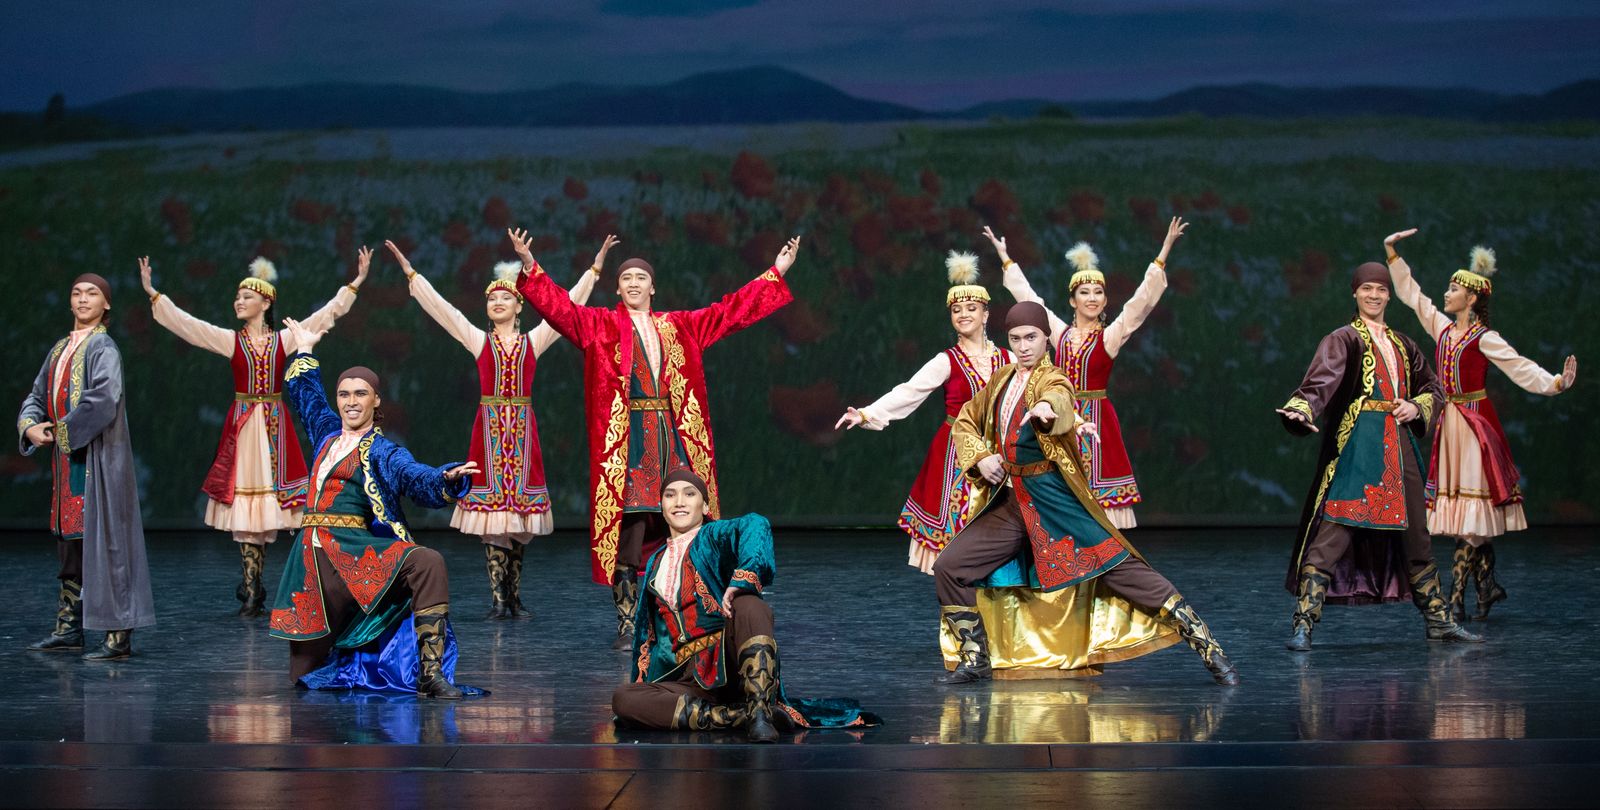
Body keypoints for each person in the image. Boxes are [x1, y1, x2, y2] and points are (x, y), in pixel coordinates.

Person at [511, 227, 800, 648]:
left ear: (652, 287)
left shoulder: (679, 326)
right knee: (629, 530)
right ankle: (629, 623)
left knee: (686, 522)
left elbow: (729, 311)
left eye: (640, 278)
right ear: (617, 288)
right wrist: (529, 265)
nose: (633, 283)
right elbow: (560, 309)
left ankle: (691, 613)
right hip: (627, 445)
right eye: (626, 278)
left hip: (672, 437)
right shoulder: (600, 325)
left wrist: (776, 272)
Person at [933, 301, 1239, 686]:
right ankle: (975, 658)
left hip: (1054, 500)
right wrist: (981, 457)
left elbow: (1059, 398)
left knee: (1122, 569)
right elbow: (965, 421)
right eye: (1016, 339)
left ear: (1046, 339)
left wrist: (1047, 410)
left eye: (1031, 337)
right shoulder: (1001, 379)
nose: (1024, 346)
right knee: (950, 566)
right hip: (1012, 504)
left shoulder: (1053, 377)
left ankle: (1207, 646)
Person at [139, 251, 368, 615]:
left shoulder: (283, 340)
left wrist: (354, 284)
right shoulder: (232, 341)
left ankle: (257, 584)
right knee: (246, 507)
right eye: (237, 297)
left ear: (265, 302)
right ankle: (251, 586)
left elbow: (325, 315)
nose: (238, 302)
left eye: (246, 297)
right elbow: (190, 326)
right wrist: (155, 295)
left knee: (270, 505)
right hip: (245, 430)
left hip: (275, 430)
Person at [388, 237, 605, 619]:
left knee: (519, 519)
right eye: (492, 299)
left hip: (522, 435)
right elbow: (445, 312)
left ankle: (513, 594)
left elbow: (567, 307)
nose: (498, 303)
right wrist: (412, 275)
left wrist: (594, 270)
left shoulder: (533, 341)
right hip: (488, 435)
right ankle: (498, 598)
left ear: (520, 306)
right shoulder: (479, 341)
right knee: (492, 519)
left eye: (506, 298)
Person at [267, 317, 480, 698]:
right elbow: (306, 395)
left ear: (376, 400)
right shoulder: (326, 435)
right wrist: (305, 348)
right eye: (344, 394)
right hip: (311, 563)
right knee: (306, 676)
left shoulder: (383, 450)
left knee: (427, 562)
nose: (351, 402)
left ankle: (431, 673)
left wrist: (445, 478)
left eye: (360, 394)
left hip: (354, 555)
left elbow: (414, 477)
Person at [1276, 260, 1483, 650]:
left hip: (1399, 447)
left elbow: (1433, 388)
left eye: (1381, 289)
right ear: (1355, 294)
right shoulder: (1343, 339)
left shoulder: (1404, 344)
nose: (1374, 295)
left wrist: (1416, 406)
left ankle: (1438, 620)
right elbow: (1320, 381)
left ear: (1389, 296)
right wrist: (1302, 409)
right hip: (1359, 444)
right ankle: (1304, 622)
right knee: (1336, 528)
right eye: (1367, 289)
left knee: (1417, 534)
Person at [1385, 230, 1577, 620]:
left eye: (1453, 289)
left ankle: (1455, 598)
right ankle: (1487, 586)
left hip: (1474, 429)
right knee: (1466, 519)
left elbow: (1519, 366)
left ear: (1471, 298)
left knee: (1470, 522)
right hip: (1450, 427)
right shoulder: (1442, 329)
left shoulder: (1484, 339)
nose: (1446, 294)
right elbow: (1414, 297)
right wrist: (1392, 255)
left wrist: (1555, 383)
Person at [611, 470, 880, 741]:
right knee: (624, 699)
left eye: (689, 494)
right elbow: (648, 638)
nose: (679, 502)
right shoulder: (656, 562)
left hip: (730, 665)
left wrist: (742, 579)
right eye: (670, 496)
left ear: (704, 507)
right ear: (661, 506)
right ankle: (740, 716)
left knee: (749, 604)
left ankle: (759, 709)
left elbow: (756, 524)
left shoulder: (713, 537)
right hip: (688, 680)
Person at [986, 218, 1188, 528]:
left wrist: (1164, 251)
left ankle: (1103, 550)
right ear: (1073, 299)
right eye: (1084, 292)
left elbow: (1139, 305)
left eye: (1097, 292)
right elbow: (1031, 301)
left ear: (1105, 300)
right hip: (1060, 413)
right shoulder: (1061, 334)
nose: (1092, 298)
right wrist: (1005, 258)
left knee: (1096, 493)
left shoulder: (1109, 337)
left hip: (1097, 419)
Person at [834, 251, 1013, 572]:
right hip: (958, 452)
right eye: (956, 310)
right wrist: (865, 414)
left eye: (971, 308)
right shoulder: (947, 360)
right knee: (958, 527)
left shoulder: (1008, 358)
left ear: (986, 314)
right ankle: (958, 590)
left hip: (999, 449)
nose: (963, 315)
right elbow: (909, 391)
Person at [18, 273, 156, 659]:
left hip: (98, 459)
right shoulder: (60, 348)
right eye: (77, 293)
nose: (82, 299)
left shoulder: (103, 347)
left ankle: (118, 633)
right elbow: (37, 394)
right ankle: (69, 626)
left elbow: (104, 399)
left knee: (107, 542)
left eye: (92, 294)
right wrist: (30, 426)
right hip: (67, 463)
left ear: (105, 304)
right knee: (71, 544)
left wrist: (61, 431)